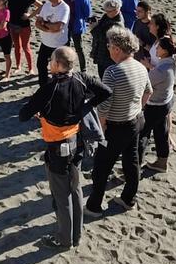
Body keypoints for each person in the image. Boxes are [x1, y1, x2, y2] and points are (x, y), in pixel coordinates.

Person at [19, 47, 112, 249]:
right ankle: (76, 235)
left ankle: (64, 239)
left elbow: (23, 114)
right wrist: (85, 107)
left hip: (58, 146)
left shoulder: (50, 88)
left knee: (62, 195)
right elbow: (106, 91)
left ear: (58, 64)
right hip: (77, 142)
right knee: (76, 189)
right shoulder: (81, 78)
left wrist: (41, 112)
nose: (49, 63)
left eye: (51, 60)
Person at [85, 27, 151, 216]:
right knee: (132, 162)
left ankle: (94, 207)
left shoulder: (112, 72)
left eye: (109, 45)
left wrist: (101, 129)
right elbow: (148, 92)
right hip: (136, 121)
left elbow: (104, 108)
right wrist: (136, 108)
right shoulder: (140, 66)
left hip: (116, 127)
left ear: (116, 48)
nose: (108, 48)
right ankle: (128, 199)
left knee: (101, 168)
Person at [139, 37, 176, 173]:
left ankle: (134, 166)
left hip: (155, 106)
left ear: (164, 51)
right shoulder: (170, 63)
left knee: (141, 135)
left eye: (158, 47)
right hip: (165, 103)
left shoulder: (162, 69)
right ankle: (162, 162)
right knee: (161, 132)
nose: (155, 49)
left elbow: (146, 85)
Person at [35, 0, 70, 86]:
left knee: (60, 70)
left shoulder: (64, 8)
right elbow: (37, 23)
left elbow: (58, 27)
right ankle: (43, 87)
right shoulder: (46, 5)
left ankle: (60, 89)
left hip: (59, 44)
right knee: (41, 65)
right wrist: (49, 29)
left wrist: (45, 24)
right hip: (46, 42)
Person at [7, 0, 42, 75]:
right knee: (17, 46)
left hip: (24, 25)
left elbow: (41, 6)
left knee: (25, 47)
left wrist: (30, 16)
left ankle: (31, 69)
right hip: (12, 24)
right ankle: (18, 66)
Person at [61, 0, 92, 72]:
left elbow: (87, 10)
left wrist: (81, 19)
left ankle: (83, 69)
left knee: (79, 48)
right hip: (66, 25)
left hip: (76, 25)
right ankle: (66, 67)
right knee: (66, 47)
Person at [89, 0, 125, 80]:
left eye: (108, 11)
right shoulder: (108, 16)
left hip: (108, 56)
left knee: (106, 78)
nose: (106, 12)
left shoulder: (117, 24)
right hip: (102, 53)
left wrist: (94, 28)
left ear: (116, 10)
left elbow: (105, 39)